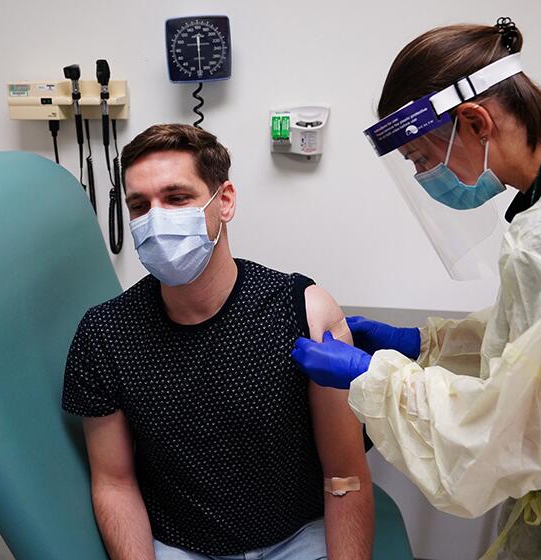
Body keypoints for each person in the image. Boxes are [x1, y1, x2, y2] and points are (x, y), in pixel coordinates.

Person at [291, 17, 541, 560]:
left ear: (475, 121)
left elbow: (501, 436)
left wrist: (376, 380)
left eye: (422, 158)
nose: (425, 176)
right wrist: (429, 345)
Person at [62, 124, 373, 559]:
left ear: (224, 201)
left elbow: (345, 475)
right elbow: (114, 482)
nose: (156, 219)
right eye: (139, 206)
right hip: (180, 547)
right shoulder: (105, 336)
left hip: (297, 540)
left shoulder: (303, 311)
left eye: (176, 198)